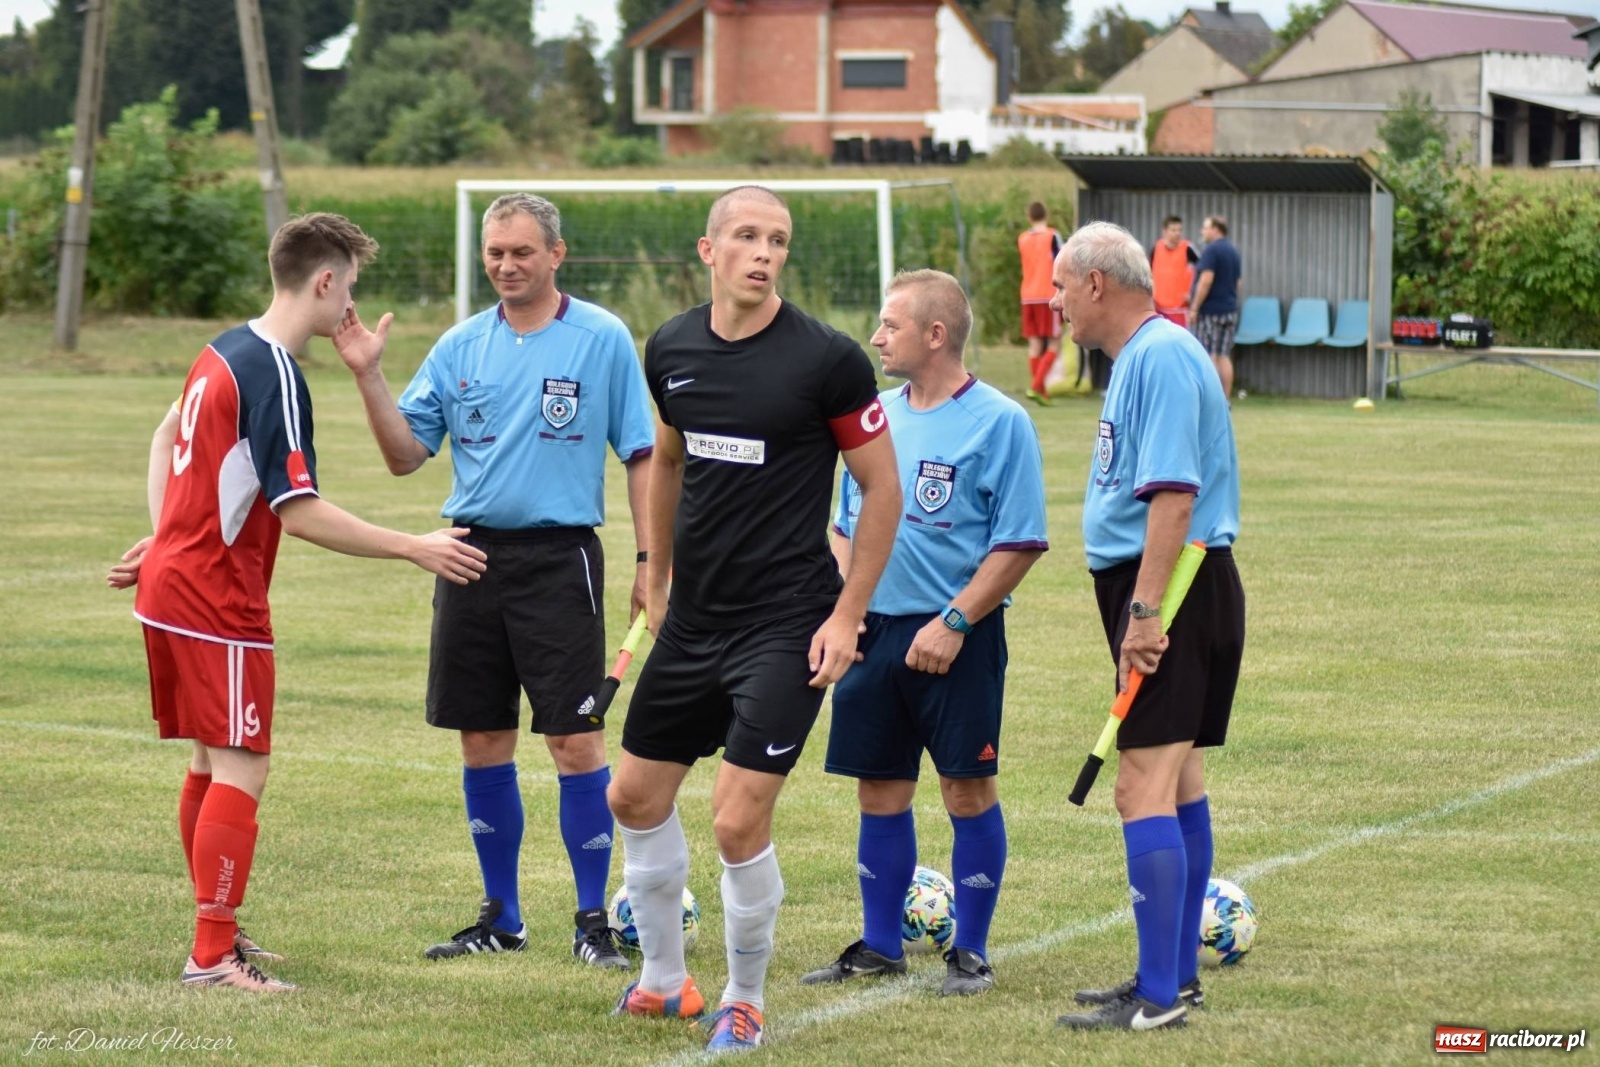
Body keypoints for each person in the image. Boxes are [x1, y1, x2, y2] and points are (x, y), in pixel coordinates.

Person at [107, 213, 489, 993]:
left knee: (211, 760)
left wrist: (168, 532)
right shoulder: (278, 372)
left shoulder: (224, 347)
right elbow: (299, 510)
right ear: (324, 282)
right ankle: (212, 953)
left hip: (171, 588)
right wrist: (413, 545)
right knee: (245, 765)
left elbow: (162, 436)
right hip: (216, 599)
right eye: (349, 287)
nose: (350, 302)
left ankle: (219, 930)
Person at [605, 185, 902, 1053]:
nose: (763, 251)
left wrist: (849, 615)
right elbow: (666, 457)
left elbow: (881, 490)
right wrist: (653, 569)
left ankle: (744, 996)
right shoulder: (670, 346)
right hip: (694, 620)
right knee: (632, 794)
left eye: (777, 239)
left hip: (788, 622)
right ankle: (665, 981)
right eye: (746, 235)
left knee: (738, 819)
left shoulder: (829, 360)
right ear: (709, 250)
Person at [331, 193, 655, 969]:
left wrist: (652, 563)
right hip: (468, 556)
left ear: (555, 254)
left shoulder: (601, 337)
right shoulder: (459, 346)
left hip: (559, 558)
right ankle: (501, 916)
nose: (506, 265)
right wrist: (369, 378)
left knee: (574, 739)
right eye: (495, 253)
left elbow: (642, 453)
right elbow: (407, 454)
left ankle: (591, 921)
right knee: (482, 737)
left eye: (521, 252)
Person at [801, 270, 1047, 998]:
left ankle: (969, 951)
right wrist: (848, 607)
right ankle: (881, 946)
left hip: (956, 637)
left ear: (935, 334)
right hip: (871, 633)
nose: (876, 337)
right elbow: (845, 523)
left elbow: (1020, 541)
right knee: (879, 789)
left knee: (967, 789)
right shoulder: (873, 414)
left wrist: (954, 620)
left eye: (890, 325)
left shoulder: (1000, 421)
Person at [1047, 222, 1245, 1032]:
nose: (1054, 302)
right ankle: (1172, 976)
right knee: (1179, 781)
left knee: (1140, 788)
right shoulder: (1146, 354)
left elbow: (1174, 494)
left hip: (1174, 587)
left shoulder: (1159, 356)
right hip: (1167, 587)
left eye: (1061, 286)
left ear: (1096, 283)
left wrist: (1143, 610)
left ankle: (1160, 996)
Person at [1187, 215, 1243, 399]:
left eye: (1205, 227)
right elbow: (1238, 283)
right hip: (1230, 311)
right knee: (1224, 356)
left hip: (1210, 312)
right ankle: (1225, 400)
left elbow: (1206, 280)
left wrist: (1194, 308)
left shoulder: (1211, 250)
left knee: (1208, 354)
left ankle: (1211, 400)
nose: (1203, 231)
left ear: (1216, 229)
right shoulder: (1233, 251)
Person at [1017, 201, 1065, 405]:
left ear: (1029, 217)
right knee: (1055, 341)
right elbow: (1062, 260)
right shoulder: (1052, 236)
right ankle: (1036, 386)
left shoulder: (1023, 239)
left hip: (1027, 296)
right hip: (1047, 295)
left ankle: (1041, 392)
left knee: (1035, 344)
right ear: (1047, 214)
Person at [1150, 215, 1198, 328]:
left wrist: (1193, 294)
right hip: (1158, 307)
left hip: (1180, 308)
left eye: (1179, 230)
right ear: (1164, 231)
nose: (1177, 233)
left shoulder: (1188, 248)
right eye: (1173, 230)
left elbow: (1203, 272)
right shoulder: (1156, 247)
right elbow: (1148, 272)